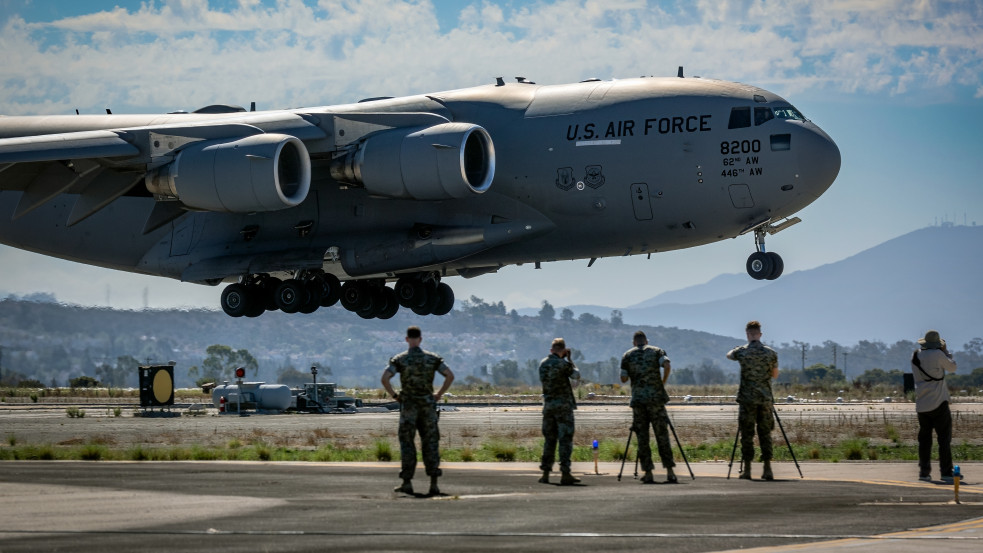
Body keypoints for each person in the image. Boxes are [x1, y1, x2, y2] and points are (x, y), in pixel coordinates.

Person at [381, 326, 455, 496]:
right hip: (427, 406)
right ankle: (433, 483)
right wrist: (438, 394)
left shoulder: (400, 360)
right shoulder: (432, 359)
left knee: (407, 444)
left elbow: (385, 378)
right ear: (420, 339)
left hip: (408, 406)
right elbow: (449, 375)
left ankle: (407, 482)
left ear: (407, 339)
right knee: (430, 443)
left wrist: (395, 395)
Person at [620, 330, 676, 483]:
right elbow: (667, 365)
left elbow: (623, 378)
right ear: (646, 340)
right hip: (656, 400)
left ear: (634, 342)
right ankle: (670, 471)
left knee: (642, 437)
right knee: (662, 435)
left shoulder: (627, 355)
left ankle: (648, 472)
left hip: (638, 401)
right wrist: (662, 383)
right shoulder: (657, 351)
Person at [726, 320, 779, 480]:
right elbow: (775, 375)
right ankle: (767, 469)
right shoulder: (770, 353)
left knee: (747, 434)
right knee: (765, 434)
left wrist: (737, 348)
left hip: (747, 399)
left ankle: (747, 469)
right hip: (765, 399)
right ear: (760, 334)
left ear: (748, 334)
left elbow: (729, 355)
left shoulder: (741, 352)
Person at [911, 329, 958, 483]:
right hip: (939, 402)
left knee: (924, 440)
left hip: (922, 404)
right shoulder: (938, 355)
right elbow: (952, 367)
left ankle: (924, 472)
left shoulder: (915, 356)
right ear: (937, 344)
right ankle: (946, 471)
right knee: (944, 439)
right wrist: (946, 352)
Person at [538, 338, 581, 485]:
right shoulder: (563, 364)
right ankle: (565, 472)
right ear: (563, 350)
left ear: (551, 350)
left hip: (549, 406)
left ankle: (545, 473)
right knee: (565, 440)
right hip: (563, 407)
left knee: (549, 440)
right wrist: (569, 360)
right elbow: (576, 375)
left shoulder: (543, 364)